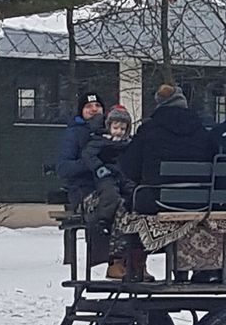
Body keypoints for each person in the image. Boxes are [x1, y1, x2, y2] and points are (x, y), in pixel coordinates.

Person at [120, 85, 217, 214]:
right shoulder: (203, 132)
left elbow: (129, 168)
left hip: (156, 202)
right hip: (198, 201)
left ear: (160, 103)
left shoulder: (148, 130)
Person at [81, 105, 135, 277]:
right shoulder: (100, 141)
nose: (118, 132)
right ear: (109, 126)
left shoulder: (128, 144)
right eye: (116, 127)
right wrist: (99, 168)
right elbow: (88, 155)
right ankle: (104, 220)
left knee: (131, 194)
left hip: (122, 175)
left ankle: (132, 259)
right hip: (105, 175)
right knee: (110, 194)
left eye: (122, 128)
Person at [56, 91, 105, 210]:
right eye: (88, 106)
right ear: (81, 111)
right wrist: (92, 163)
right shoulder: (73, 133)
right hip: (82, 188)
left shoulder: (113, 130)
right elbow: (63, 168)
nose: (94, 109)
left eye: (97, 105)